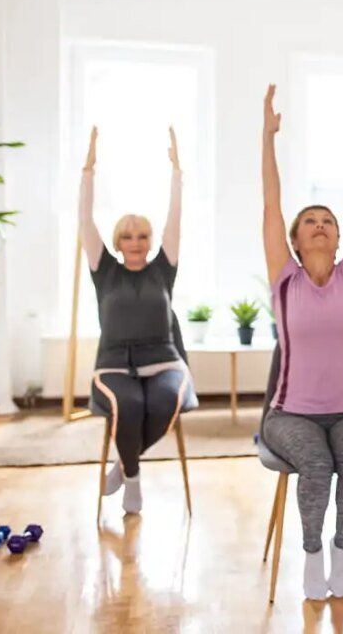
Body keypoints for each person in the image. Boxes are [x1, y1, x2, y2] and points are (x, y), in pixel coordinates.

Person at [259, 83, 343, 601]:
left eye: (328, 222)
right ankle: (311, 555)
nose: (320, 226)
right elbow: (271, 201)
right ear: (294, 239)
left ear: (338, 238)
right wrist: (267, 137)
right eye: (310, 221)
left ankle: (341, 549)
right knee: (316, 466)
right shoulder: (284, 278)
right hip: (290, 414)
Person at [83, 125, 196, 516]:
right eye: (128, 236)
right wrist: (88, 170)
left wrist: (177, 174)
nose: (135, 242)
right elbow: (86, 220)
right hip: (114, 366)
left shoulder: (164, 268)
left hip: (165, 361)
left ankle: (123, 464)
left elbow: (175, 220)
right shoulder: (104, 270)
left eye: (142, 236)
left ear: (150, 241)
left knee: (165, 401)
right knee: (128, 405)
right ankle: (133, 481)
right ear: (117, 242)